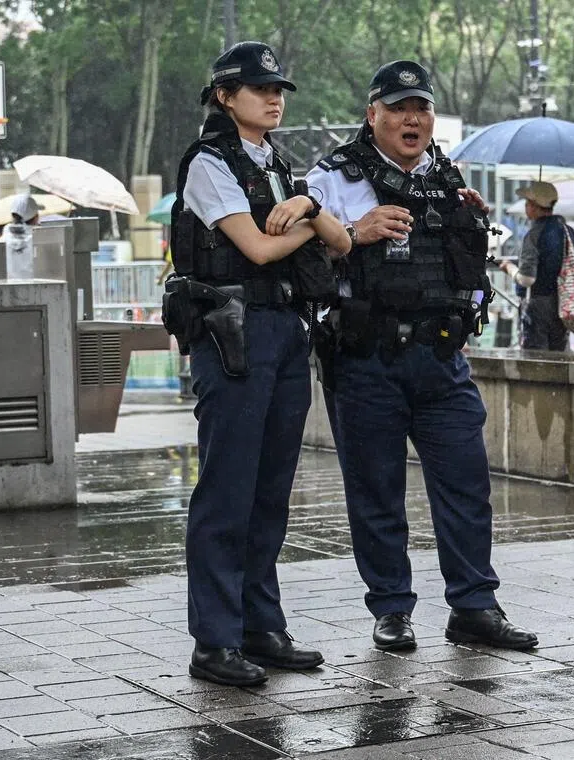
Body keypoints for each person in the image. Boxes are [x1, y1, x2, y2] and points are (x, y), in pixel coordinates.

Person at [307, 60, 537, 653]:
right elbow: (299, 267)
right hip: (365, 359)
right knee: (376, 491)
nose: (413, 119)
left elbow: (468, 264)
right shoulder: (330, 181)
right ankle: (391, 609)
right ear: (372, 115)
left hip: (441, 358)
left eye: (422, 108)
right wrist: (352, 230)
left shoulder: (450, 177)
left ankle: (475, 607)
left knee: (465, 484)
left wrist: (471, 222)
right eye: (399, 108)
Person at [165, 41, 350, 687]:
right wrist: (312, 219)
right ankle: (213, 642)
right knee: (227, 492)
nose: (273, 98)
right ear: (224, 96)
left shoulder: (278, 164)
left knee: (271, 490)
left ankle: (260, 627)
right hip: (231, 335)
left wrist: (314, 209)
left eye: (278, 89)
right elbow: (259, 248)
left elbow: (346, 242)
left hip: (284, 332)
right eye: (258, 88)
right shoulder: (209, 164)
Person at [498, 180, 574, 351]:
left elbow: (527, 279)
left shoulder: (533, 235)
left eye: (527, 203)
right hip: (564, 303)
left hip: (538, 304)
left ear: (533, 207)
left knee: (535, 358)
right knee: (559, 354)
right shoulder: (569, 231)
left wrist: (509, 268)